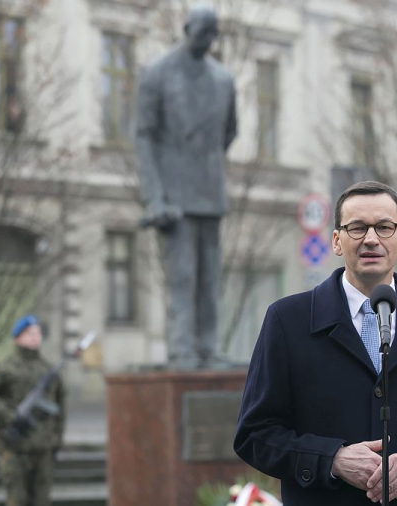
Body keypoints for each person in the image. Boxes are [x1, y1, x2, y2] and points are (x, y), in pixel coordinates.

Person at [234, 181, 397, 505]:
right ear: (336, 241)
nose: (371, 239)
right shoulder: (288, 321)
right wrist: (332, 459)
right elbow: (255, 435)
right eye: (357, 228)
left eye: (384, 227)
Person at [135, 5, 238, 369]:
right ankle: (181, 350)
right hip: (174, 197)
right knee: (182, 278)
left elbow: (228, 132)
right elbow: (144, 138)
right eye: (201, 31)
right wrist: (155, 196)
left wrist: (204, 163)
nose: (207, 38)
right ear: (186, 28)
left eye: (213, 33)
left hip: (209, 192)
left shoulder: (224, 80)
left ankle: (208, 348)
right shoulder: (158, 74)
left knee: (209, 280)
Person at [0, 315, 66, 506]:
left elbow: (60, 407)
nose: (34, 337)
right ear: (17, 337)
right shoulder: (5, 366)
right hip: (15, 448)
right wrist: (9, 415)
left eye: (37, 332)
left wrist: (57, 439)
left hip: (43, 448)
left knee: (42, 501)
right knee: (18, 500)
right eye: (28, 333)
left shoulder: (47, 369)